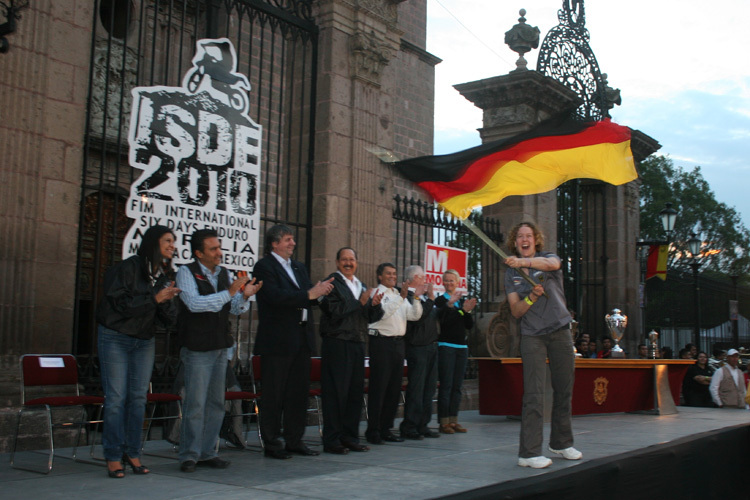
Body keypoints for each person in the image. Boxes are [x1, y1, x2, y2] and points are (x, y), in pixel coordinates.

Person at [96, 225, 182, 478]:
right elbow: (118, 304)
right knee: (115, 400)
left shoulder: (165, 275)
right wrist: (155, 299)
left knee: (138, 399)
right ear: (154, 242)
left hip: (143, 340)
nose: (172, 246)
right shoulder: (128, 267)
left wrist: (166, 300)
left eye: (173, 242)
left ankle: (132, 452)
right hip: (115, 337)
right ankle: (112, 455)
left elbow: (169, 321)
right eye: (167, 240)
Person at [176, 228, 261, 472]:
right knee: (195, 403)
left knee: (215, 402)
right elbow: (194, 304)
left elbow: (233, 309)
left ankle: (207, 451)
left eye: (219, 247)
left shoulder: (223, 273)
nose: (218, 253)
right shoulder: (186, 272)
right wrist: (230, 292)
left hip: (220, 346)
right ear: (198, 253)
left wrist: (244, 296)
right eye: (213, 249)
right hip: (197, 346)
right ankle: (189, 454)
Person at [504, 221, 581, 469]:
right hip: (532, 336)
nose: (524, 239)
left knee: (564, 388)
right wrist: (532, 296)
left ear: (535, 240)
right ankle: (528, 453)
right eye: (519, 236)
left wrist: (523, 263)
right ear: (514, 243)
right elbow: (516, 311)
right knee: (534, 394)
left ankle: (561, 443)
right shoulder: (510, 273)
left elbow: (553, 265)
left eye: (528, 235)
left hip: (560, 330)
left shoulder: (547, 257)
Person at [253, 224, 334, 459]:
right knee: (274, 394)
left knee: (297, 393)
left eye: (293, 239)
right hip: (277, 341)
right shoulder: (264, 266)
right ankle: (271, 442)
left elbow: (307, 295)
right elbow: (274, 296)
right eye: (288, 239)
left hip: (301, 339)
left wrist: (320, 294)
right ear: (274, 243)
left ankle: (294, 439)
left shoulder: (299, 267)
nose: (293, 243)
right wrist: (309, 295)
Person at [318, 247, 383, 454]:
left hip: (357, 343)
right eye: (344, 259)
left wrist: (374, 305)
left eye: (352, 259)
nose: (348, 263)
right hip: (337, 343)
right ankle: (332, 440)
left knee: (355, 393)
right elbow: (334, 312)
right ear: (337, 263)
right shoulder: (331, 283)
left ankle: (350, 436)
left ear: (356, 262)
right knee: (336, 393)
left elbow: (369, 317)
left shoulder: (360, 285)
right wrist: (360, 302)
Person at [365, 263, 423, 445]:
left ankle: (386, 428)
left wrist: (416, 299)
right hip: (381, 343)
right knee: (379, 388)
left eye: (394, 273)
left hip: (398, 344)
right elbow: (382, 314)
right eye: (388, 273)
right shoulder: (377, 293)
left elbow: (413, 316)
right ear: (380, 276)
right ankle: (373, 430)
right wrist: (402, 298)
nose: (392, 276)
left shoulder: (398, 294)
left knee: (393, 389)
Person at [400, 266, 440, 440]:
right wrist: (430, 299)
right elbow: (418, 318)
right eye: (422, 277)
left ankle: (423, 424)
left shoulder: (423, 297)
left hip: (431, 347)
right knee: (416, 388)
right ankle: (410, 426)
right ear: (414, 278)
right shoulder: (408, 297)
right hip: (417, 348)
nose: (425, 281)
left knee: (429, 388)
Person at [435, 269, 477, 434]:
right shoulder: (440, 301)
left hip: (461, 347)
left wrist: (465, 311)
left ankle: (453, 420)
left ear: (458, 282)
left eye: (452, 280)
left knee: (457, 386)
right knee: (446, 385)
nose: (449, 283)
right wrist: (458, 310)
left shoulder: (462, 301)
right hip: (446, 346)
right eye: (446, 280)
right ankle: (443, 421)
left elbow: (469, 325)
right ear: (443, 282)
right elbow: (446, 322)